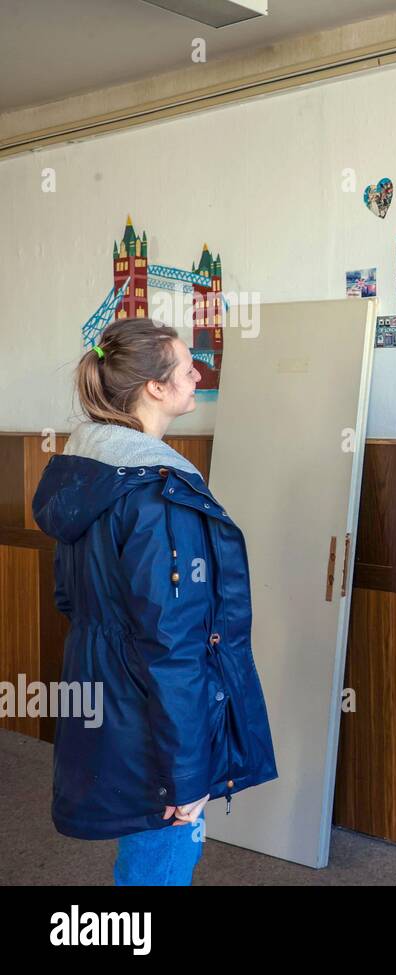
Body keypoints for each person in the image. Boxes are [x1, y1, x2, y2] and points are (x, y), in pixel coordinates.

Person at [32, 316, 277, 886]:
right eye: (185, 364)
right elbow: (173, 646)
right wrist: (187, 773)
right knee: (163, 858)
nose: (198, 372)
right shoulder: (157, 493)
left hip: (106, 692)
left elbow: (70, 598)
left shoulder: (86, 471)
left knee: (144, 849)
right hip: (152, 715)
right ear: (155, 389)